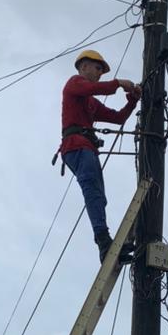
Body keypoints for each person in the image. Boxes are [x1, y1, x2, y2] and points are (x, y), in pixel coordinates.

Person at [57, 50, 142, 263]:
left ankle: (106, 243)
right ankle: (104, 243)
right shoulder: (74, 83)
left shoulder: (90, 102)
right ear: (83, 66)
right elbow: (93, 87)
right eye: (97, 69)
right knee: (93, 191)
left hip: (85, 148)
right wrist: (119, 83)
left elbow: (118, 117)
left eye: (101, 72)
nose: (99, 74)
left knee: (98, 196)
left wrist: (132, 101)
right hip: (76, 146)